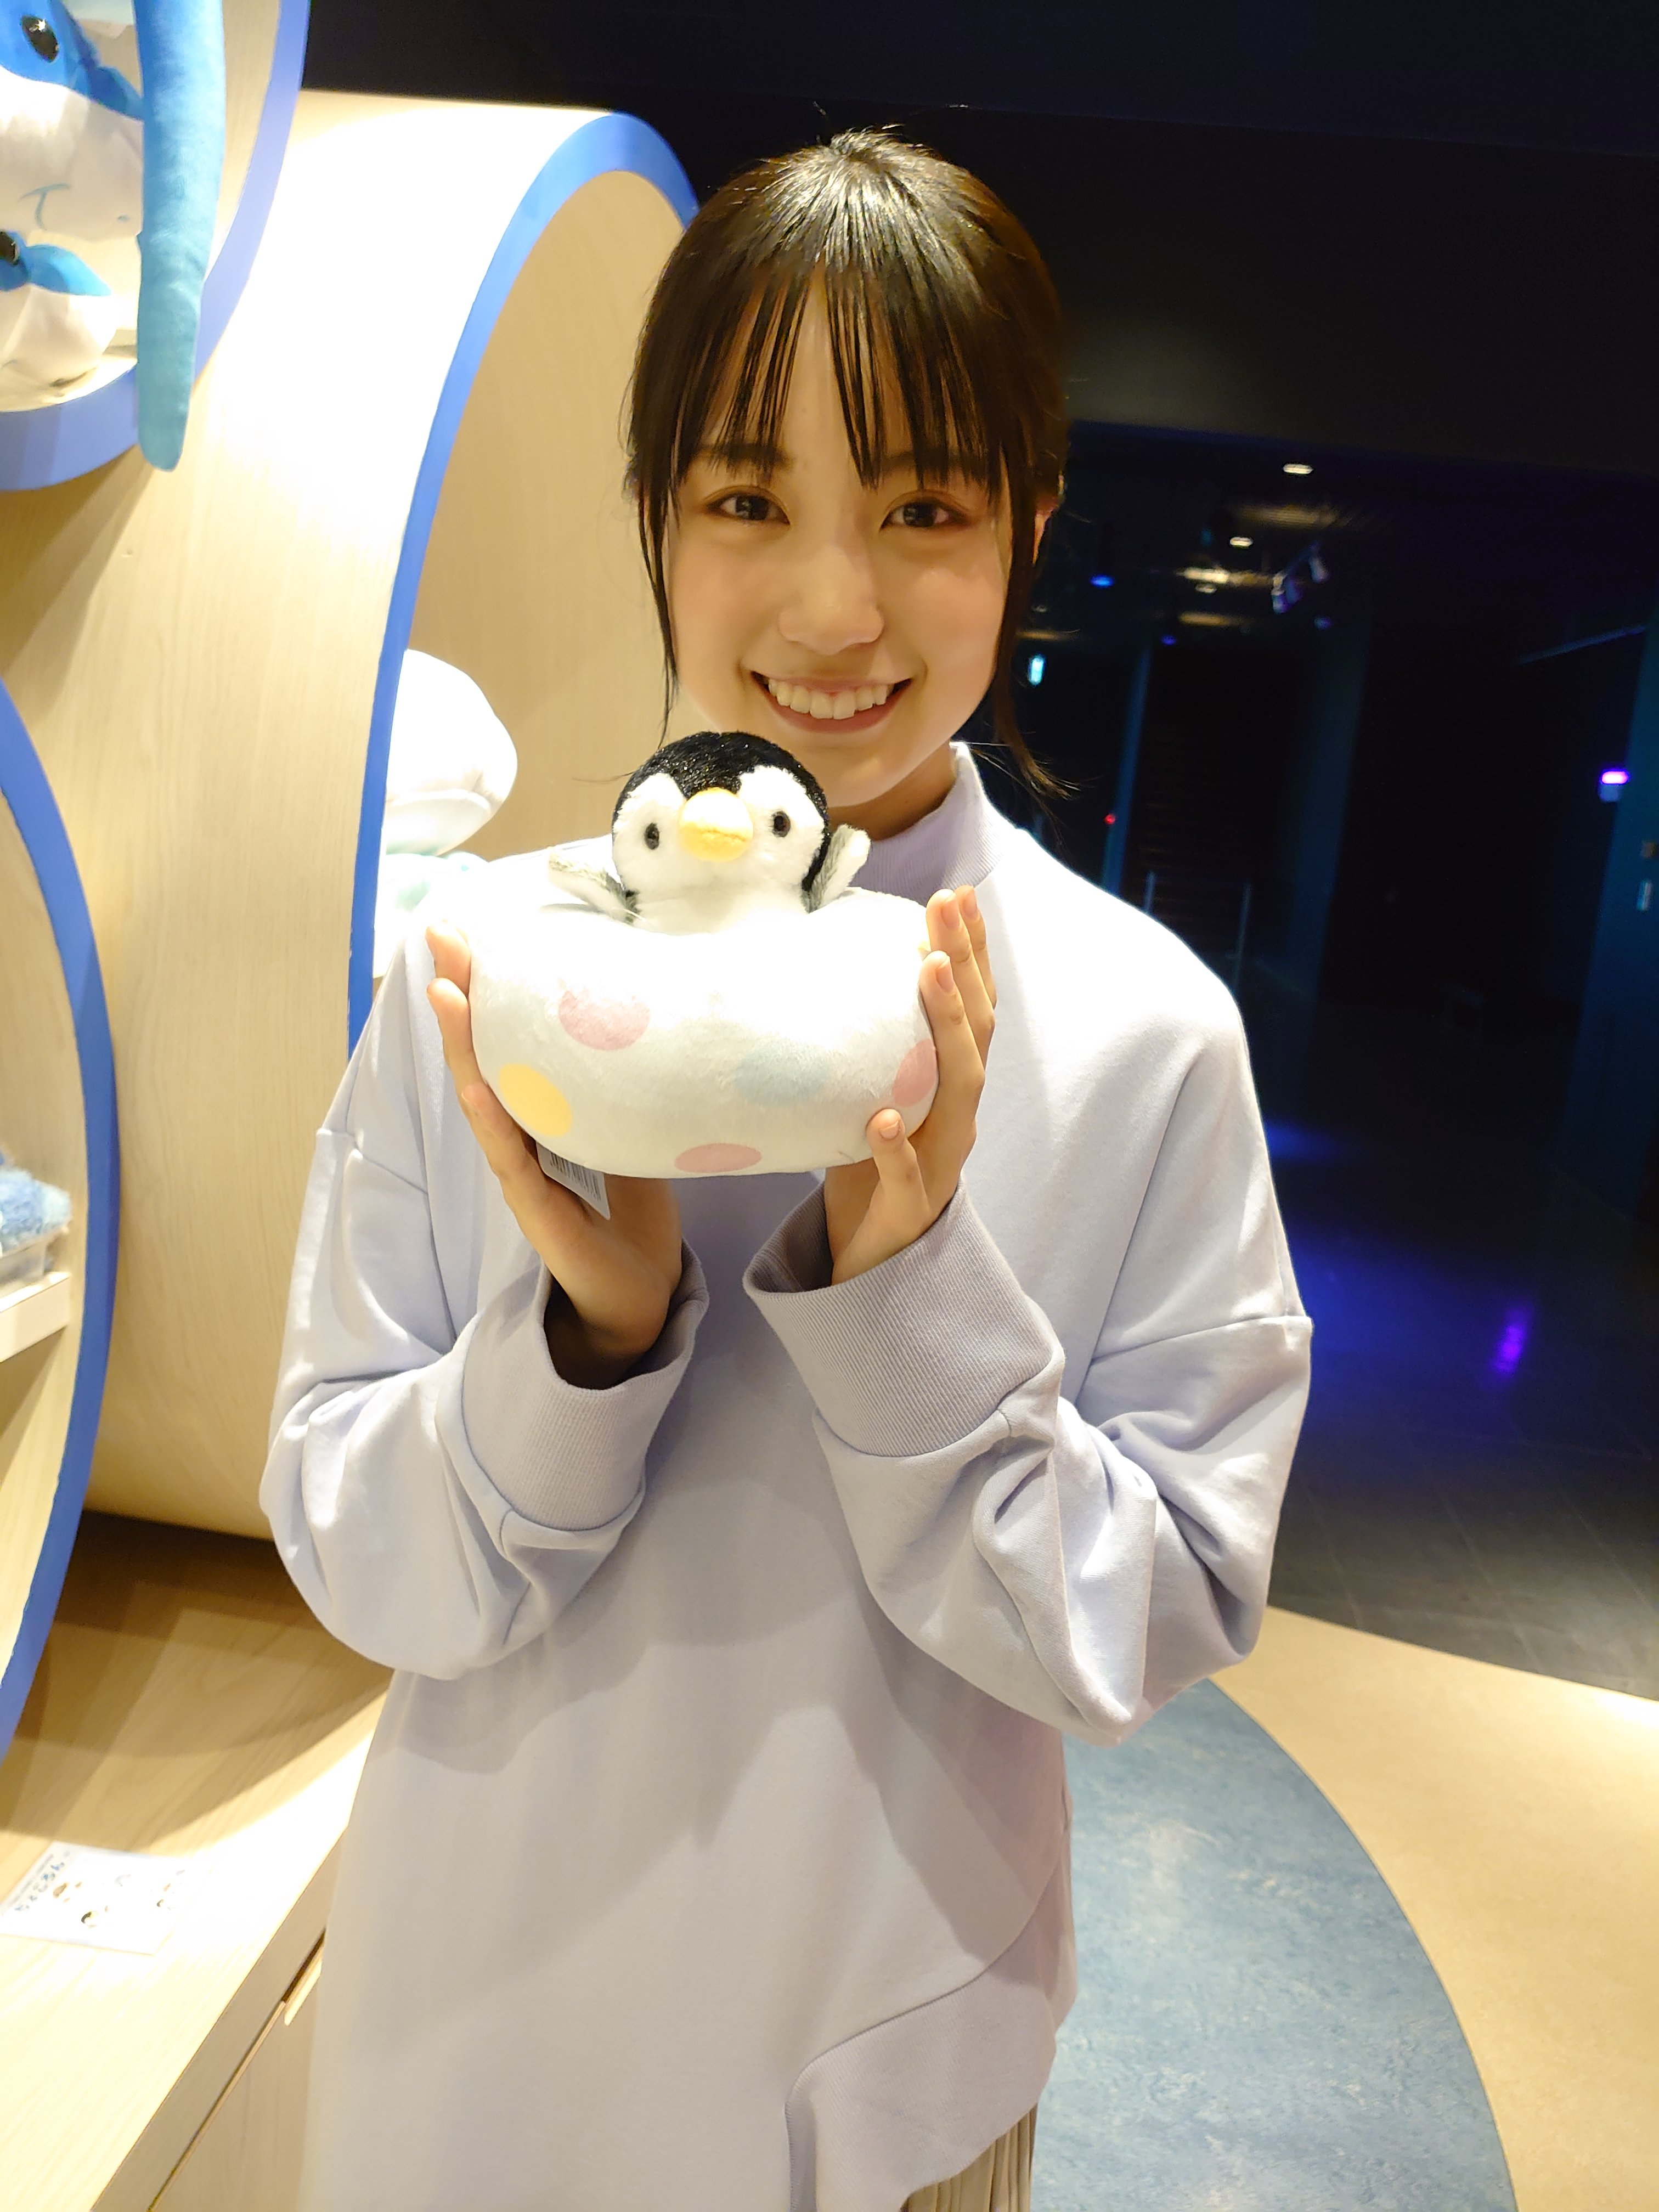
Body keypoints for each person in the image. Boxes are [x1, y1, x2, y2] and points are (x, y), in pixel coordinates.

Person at [263, 129, 1312, 2212]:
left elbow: (1162, 1606)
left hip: (885, 2041)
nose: (835, 606)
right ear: (657, 512)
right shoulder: (479, 976)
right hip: (479, 1991)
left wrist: (911, 1305)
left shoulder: (1141, 1028)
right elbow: (350, 1537)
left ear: (1029, 523)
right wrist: (583, 1338)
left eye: (923, 508)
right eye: (749, 500)